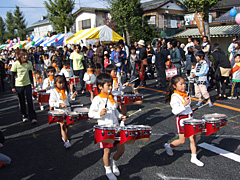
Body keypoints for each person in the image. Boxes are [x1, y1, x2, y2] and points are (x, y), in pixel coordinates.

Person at [88, 73, 127, 180]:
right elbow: (90, 114)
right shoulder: (97, 99)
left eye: (111, 85)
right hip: (105, 128)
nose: (111, 87)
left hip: (116, 127)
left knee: (121, 149)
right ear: (100, 86)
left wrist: (121, 116)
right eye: (108, 85)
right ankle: (108, 170)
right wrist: (99, 114)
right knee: (107, 151)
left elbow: (115, 112)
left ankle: (113, 162)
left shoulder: (112, 97)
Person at [164, 75, 204, 167]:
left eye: (184, 84)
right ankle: (169, 146)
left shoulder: (185, 93)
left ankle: (194, 157)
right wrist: (184, 105)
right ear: (174, 86)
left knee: (192, 138)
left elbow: (187, 107)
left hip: (189, 118)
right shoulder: (174, 97)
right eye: (180, 84)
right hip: (181, 120)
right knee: (182, 141)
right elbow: (175, 111)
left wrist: (190, 110)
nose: (183, 86)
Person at [49, 75, 77, 148]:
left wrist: (73, 96)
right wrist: (59, 104)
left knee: (67, 125)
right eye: (59, 83)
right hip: (59, 111)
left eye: (63, 83)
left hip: (67, 110)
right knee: (62, 125)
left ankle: (64, 136)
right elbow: (51, 102)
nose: (62, 85)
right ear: (55, 83)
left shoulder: (65, 90)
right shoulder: (53, 92)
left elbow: (68, 100)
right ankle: (66, 141)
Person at [11, 49, 37, 123]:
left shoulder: (29, 63)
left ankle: (33, 117)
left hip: (27, 84)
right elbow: (12, 76)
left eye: (26, 55)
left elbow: (30, 74)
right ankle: (24, 115)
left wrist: (32, 83)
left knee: (29, 100)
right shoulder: (16, 64)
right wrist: (13, 86)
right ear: (19, 56)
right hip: (19, 84)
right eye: (23, 55)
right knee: (22, 100)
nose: (25, 57)